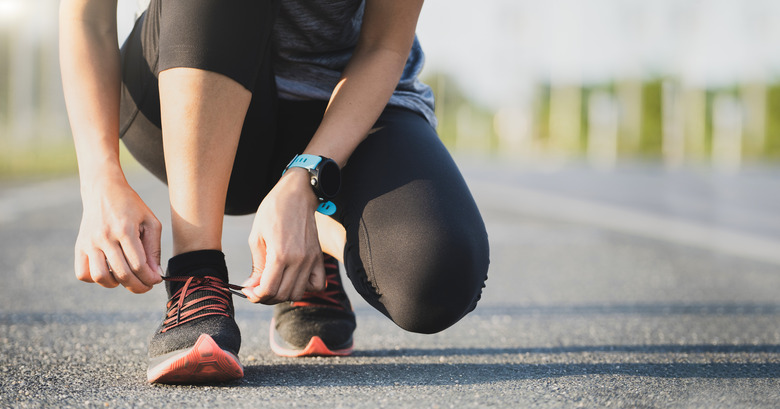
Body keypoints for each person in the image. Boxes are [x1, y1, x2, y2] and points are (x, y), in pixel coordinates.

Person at [59, 0, 490, 384]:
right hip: (186, 83)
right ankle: (197, 276)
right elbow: (87, 16)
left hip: (342, 109)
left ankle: (306, 238)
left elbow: (384, 47)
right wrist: (100, 178)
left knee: (436, 277)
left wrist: (307, 179)